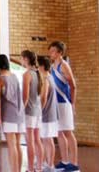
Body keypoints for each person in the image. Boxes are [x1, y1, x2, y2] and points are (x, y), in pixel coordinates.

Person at [49, 42, 79, 172]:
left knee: (68, 132)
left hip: (65, 102)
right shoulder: (52, 66)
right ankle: (65, 160)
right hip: (56, 103)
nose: (51, 53)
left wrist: (72, 103)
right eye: (50, 51)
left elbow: (73, 85)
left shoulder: (64, 66)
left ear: (60, 52)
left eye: (53, 51)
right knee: (59, 132)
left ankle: (74, 163)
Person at [0, 54, 24, 172]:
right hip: (19, 113)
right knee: (17, 144)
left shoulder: (0, 79)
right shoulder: (14, 76)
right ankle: (18, 169)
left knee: (11, 145)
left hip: (8, 114)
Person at [21, 50, 43, 172]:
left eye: (21, 58)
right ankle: (39, 167)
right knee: (37, 140)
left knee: (30, 142)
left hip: (29, 112)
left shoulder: (27, 74)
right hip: (38, 111)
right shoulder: (37, 73)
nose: (20, 60)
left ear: (25, 59)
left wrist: (20, 111)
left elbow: (25, 97)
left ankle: (30, 168)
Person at [38, 56, 58, 171]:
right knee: (46, 139)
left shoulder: (46, 79)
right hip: (50, 113)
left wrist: (40, 111)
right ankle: (48, 163)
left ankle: (50, 164)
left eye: (38, 66)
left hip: (47, 114)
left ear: (42, 66)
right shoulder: (50, 78)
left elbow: (44, 97)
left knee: (48, 139)